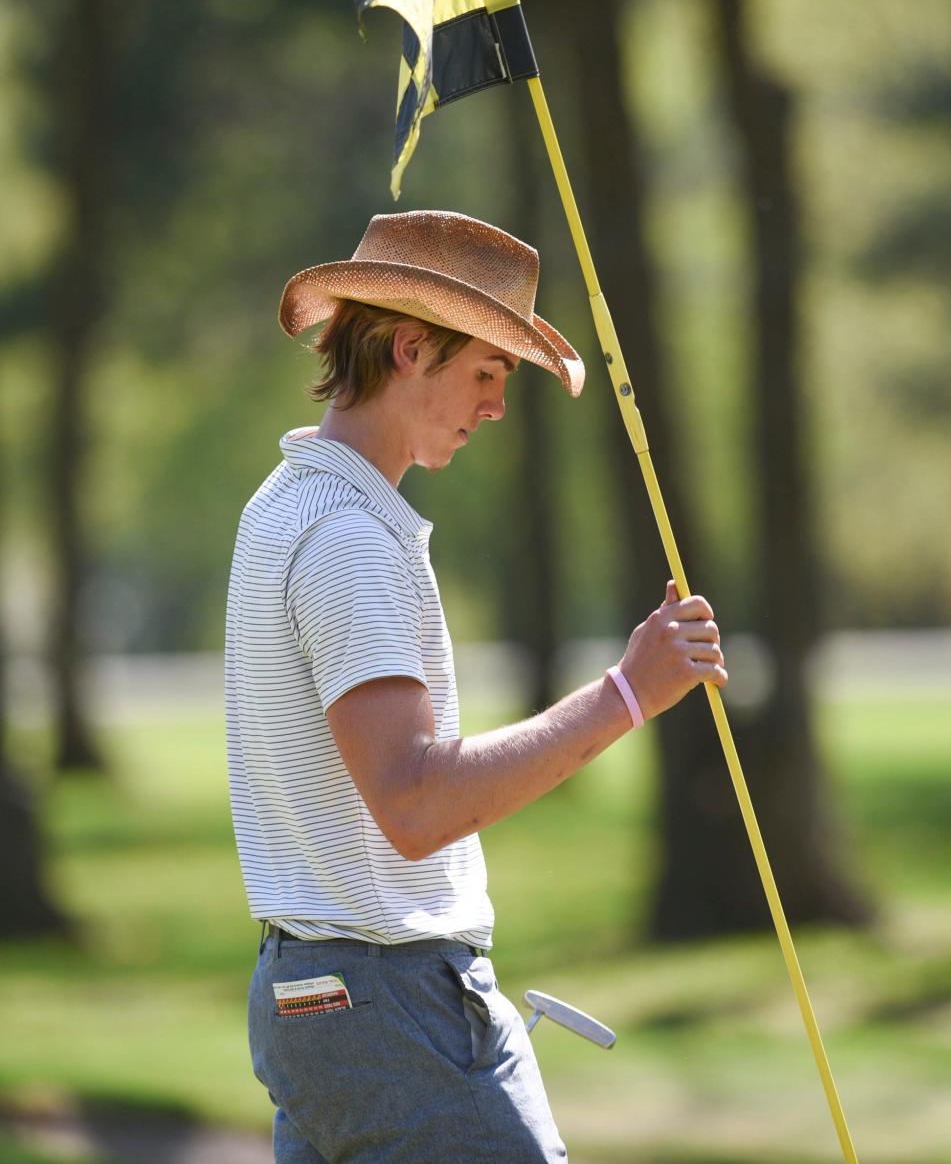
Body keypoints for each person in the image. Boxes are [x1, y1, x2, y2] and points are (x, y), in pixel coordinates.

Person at [225, 209, 727, 1163]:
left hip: (323, 997)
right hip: (387, 1001)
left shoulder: (287, 502)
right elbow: (416, 803)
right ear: (410, 347)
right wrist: (628, 693)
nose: (497, 406)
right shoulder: (347, 540)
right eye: (487, 372)